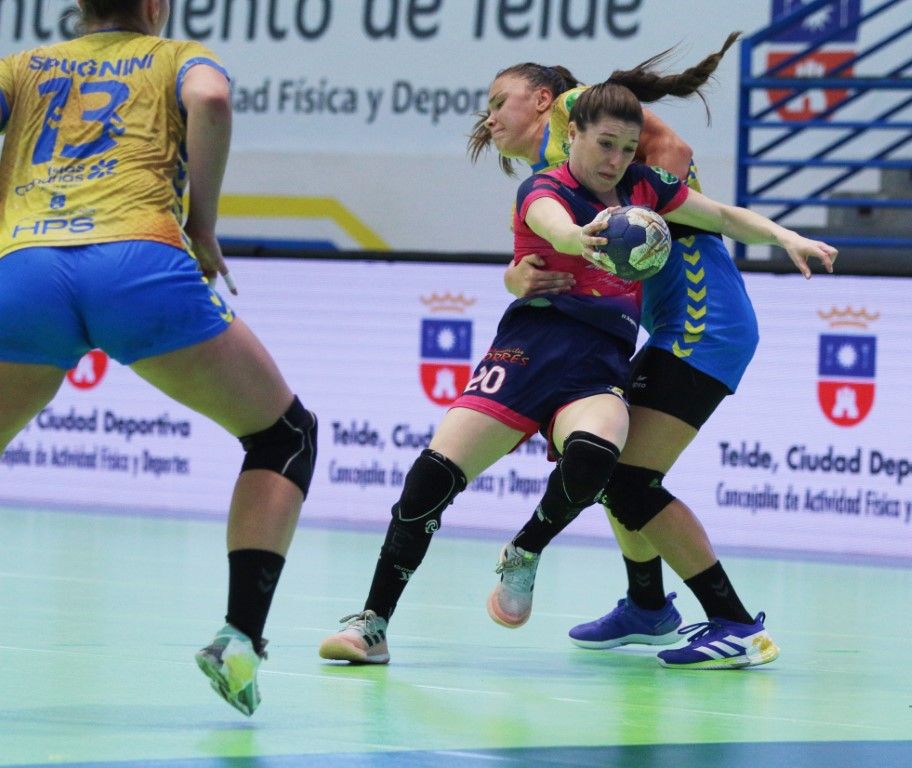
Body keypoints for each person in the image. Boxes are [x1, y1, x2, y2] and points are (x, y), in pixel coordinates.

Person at [320, 81, 835, 665]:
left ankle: (531, 552)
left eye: (627, 148)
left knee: (606, 463)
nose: (615, 159)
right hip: (526, 353)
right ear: (574, 137)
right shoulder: (545, 187)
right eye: (605, 144)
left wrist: (784, 235)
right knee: (431, 480)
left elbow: (717, 213)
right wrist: (574, 241)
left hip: (601, 362)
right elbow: (549, 223)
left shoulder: (643, 188)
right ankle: (372, 625)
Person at [469, 38, 834, 669]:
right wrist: (516, 278)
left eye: (501, 100)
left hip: (704, 321)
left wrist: (648, 206)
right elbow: (532, 265)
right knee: (612, 462)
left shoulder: (581, 111)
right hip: (672, 326)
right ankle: (646, 605)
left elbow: (677, 154)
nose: (490, 115)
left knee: (628, 479)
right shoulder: (549, 182)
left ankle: (735, 625)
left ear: (543, 99)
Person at [0, 0, 317, 714]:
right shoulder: (176, 56)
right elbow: (212, 100)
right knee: (284, 435)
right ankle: (240, 639)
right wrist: (203, 225)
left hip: (23, 270)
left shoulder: (20, 67)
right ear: (154, 5)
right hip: (137, 264)